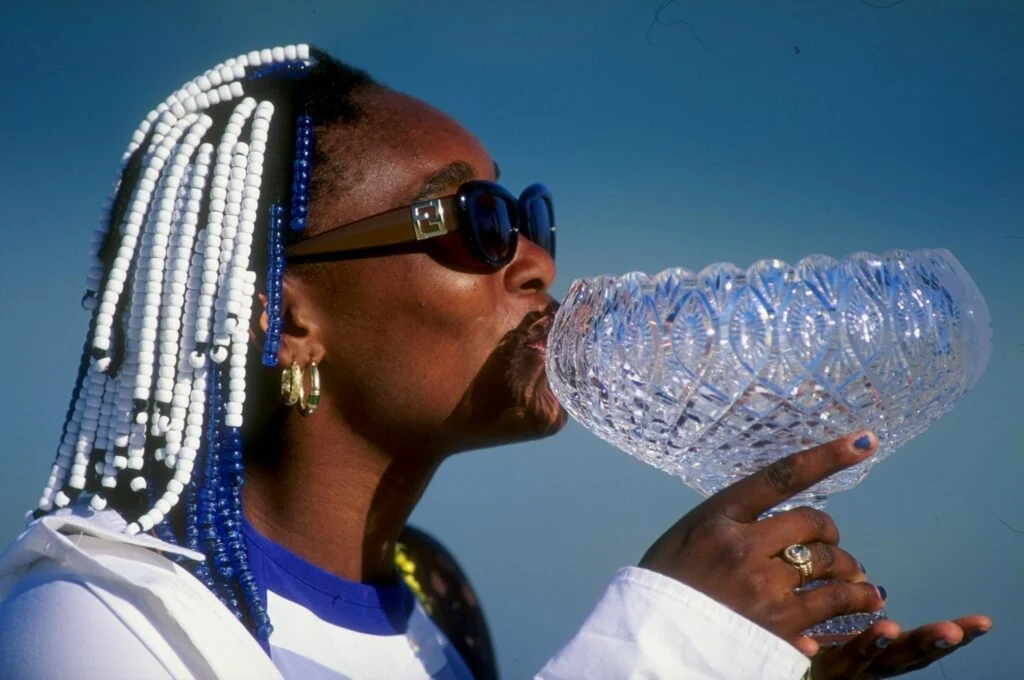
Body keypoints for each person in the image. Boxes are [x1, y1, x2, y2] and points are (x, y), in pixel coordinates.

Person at [0, 44, 990, 680]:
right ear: (288, 317)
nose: (536, 261)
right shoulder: (94, 619)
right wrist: (665, 640)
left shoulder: (434, 595)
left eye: (529, 215)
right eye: (471, 221)